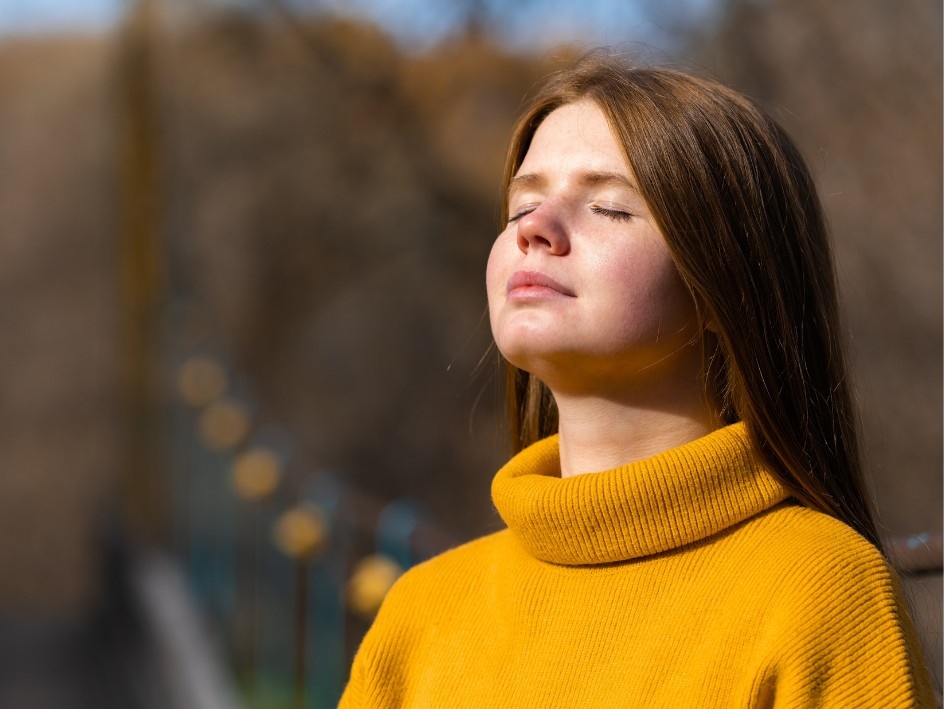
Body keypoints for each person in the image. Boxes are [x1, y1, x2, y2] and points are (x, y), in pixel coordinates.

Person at [339, 52, 935, 707]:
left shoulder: (819, 589)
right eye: (520, 207)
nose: (536, 230)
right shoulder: (420, 614)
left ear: (724, 286)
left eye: (609, 207)